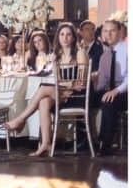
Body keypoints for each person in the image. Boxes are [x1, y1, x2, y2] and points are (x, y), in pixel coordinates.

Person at [5, 21, 88, 156]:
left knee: (43, 88)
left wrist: (67, 86)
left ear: (73, 37)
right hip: (62, 93)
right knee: (43, 102)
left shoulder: (80, 53)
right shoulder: (57, 55)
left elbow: (81, 82)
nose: (65, 38)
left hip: (77, 96)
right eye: (62, 34)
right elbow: (57, 79)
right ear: (58, 37)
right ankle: (45, 144)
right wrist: (66, 83)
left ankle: (20, 119)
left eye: (68, 35)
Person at [93, 18, 127, 155]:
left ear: (119, 32)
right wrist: (93, 82)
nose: (109, 34)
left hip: (125, 91)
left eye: (112, 31)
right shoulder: (105, 55)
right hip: (111, 90)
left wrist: (116, 91)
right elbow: (102, 83)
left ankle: (105, 144)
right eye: (105, 31)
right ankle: (86, 140)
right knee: (87, 98)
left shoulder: (127, 50)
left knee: (108, 101)